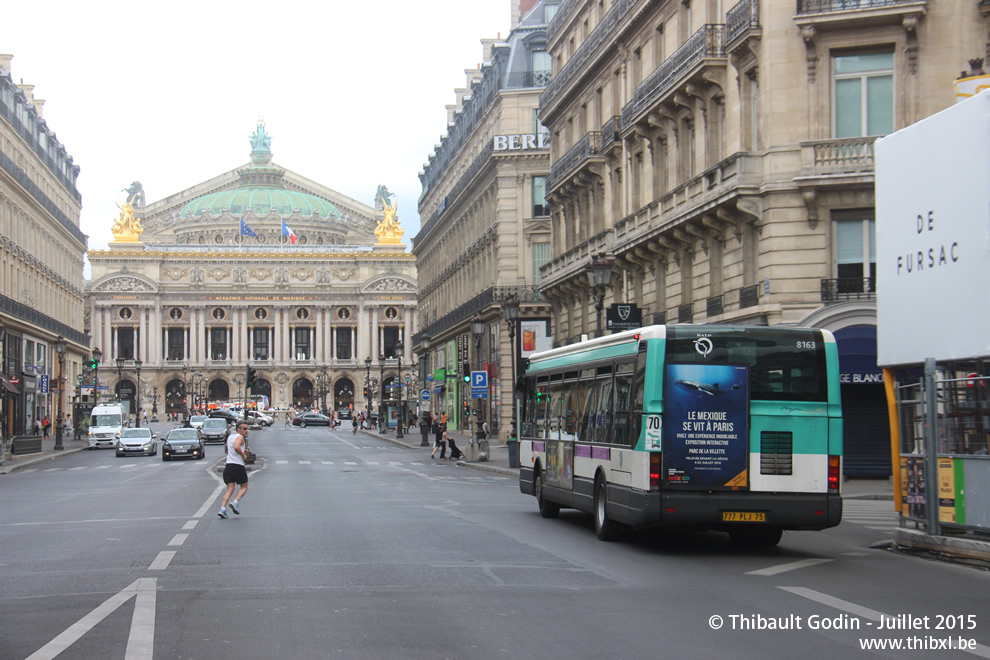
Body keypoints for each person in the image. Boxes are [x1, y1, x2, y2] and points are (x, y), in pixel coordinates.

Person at [218, 422, 250, 519]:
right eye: (244, 428)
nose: (246, 431)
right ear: (238, 429)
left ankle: (222, 509)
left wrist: (241, 451)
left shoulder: (230, 437)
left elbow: (228, 449)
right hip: (238, 465)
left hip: (228, 466)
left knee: (230, 489)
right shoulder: (240, 437)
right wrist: (243, 455)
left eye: (247, 428)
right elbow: (236, 447)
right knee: (244, 486)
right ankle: (235, 502)